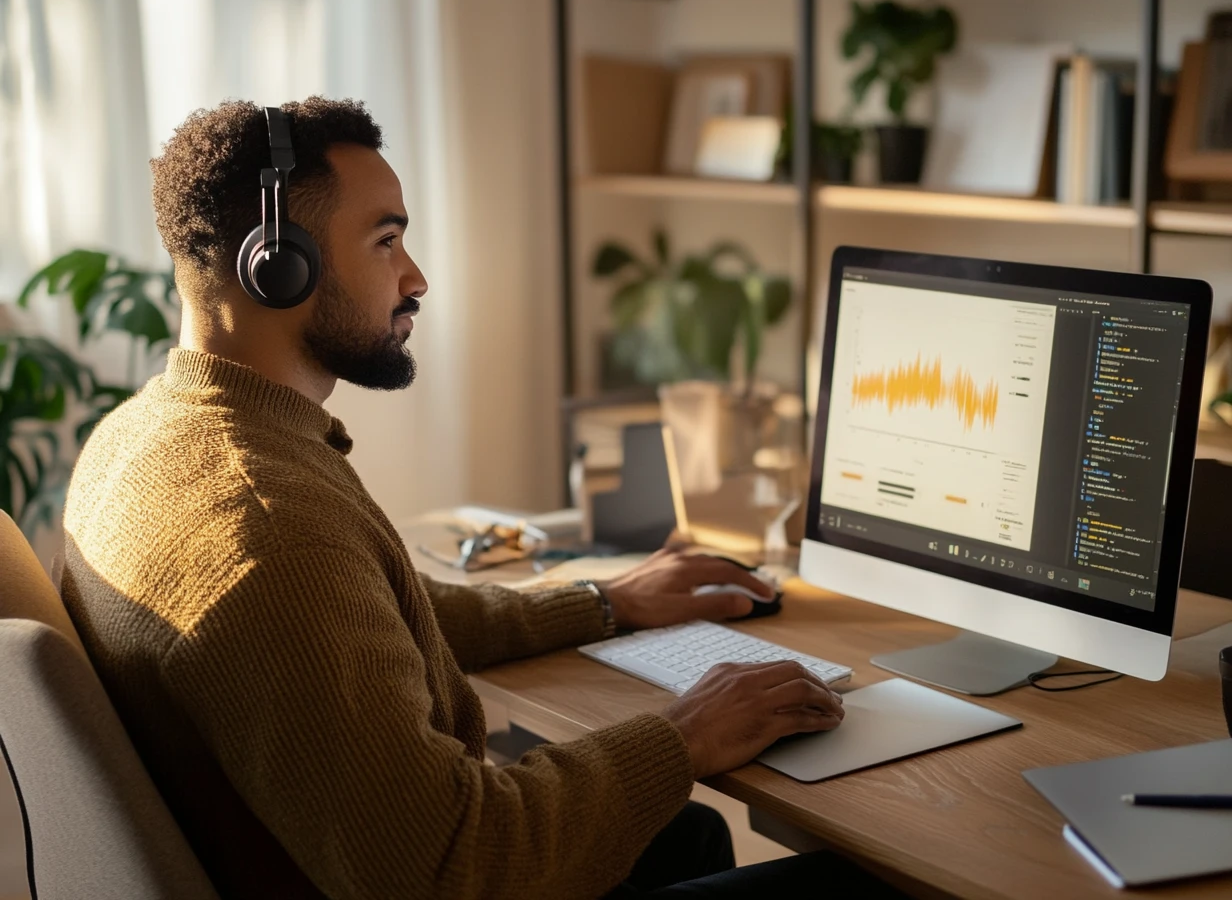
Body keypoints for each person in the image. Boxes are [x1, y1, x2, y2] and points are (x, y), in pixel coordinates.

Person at [61, 98, 888, 899]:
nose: (415, 278)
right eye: (386, 241)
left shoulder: (143, 440)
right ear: (279, 265)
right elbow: (452, 866)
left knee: (686, 834)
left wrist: (606, 603)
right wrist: (686, 734)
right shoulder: (269, 524)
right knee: (873, 881)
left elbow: (369, 618)